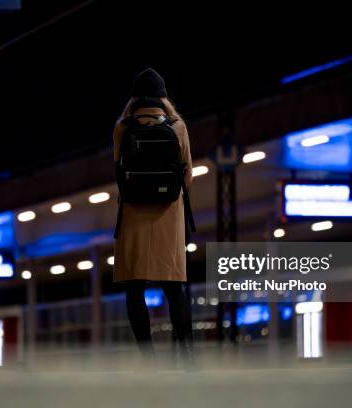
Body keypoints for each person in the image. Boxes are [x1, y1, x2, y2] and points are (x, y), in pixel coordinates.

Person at [113, 68, 195, 368]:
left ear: (134, 98)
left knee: (134, 288)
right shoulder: (177, 126)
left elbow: (118, 172)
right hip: (168, 215)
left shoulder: (122, 126)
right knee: (174, 288)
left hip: (133, 216)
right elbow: (187, 175)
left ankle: (148, 359)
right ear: (163, 97)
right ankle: (185, 355)